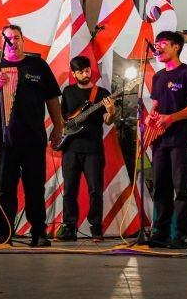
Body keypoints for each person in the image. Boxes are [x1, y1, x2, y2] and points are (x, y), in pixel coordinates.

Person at [0, 24, 63, 247]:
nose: (13, 42)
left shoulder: (38, 66)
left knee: (35, 188)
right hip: (5, 140)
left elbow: (52, 98)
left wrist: (58, 127)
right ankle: (3, 232)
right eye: (9, 38)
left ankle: (38, 233)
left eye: (16, 38)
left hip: (34, 139)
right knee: (5, 189)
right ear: (1, 42)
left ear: (23, 40)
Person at [144, 31, 187, 249]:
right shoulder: (158, 77)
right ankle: (160, 232)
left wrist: (171, 118)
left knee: (182, 189)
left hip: (182, 139)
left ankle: (181, 234)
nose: (158, 47)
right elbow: (156, 106)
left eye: (163, 43)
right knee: (161, 188)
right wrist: (151, 117)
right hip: (160, 141)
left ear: (176, 46)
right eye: (157, 44)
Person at [55, 55, 116, 242]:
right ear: (74, 74)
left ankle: (96, 228)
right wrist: (61, 131)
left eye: (87, 70)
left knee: (95, 190)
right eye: (81, 72)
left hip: (93, 148)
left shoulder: (102, 93)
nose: (85, 74)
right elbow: (63, 119)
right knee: (69, 191)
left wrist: (111, 112)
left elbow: (108, 121)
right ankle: (69, 227)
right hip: (70, 148)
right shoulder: (68, 91)